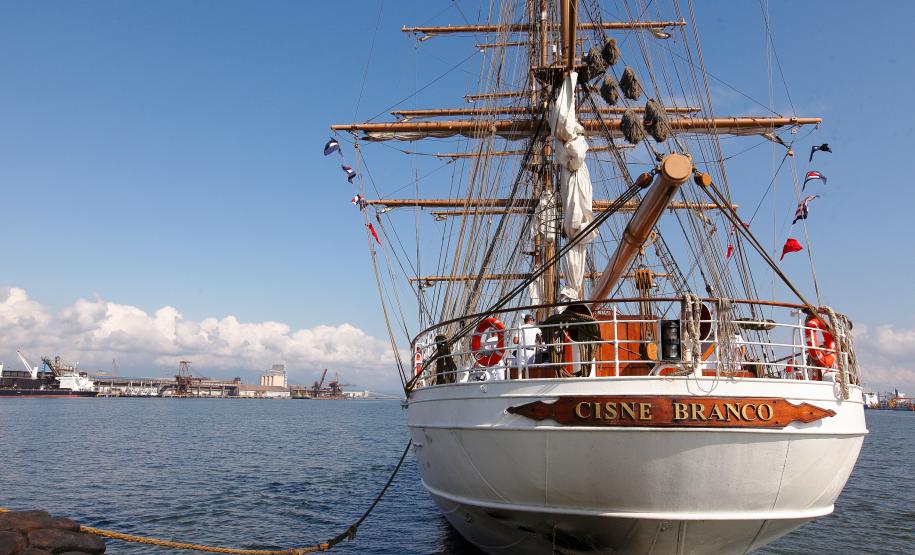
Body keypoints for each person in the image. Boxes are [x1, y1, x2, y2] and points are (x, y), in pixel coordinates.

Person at [513, 314, 542, 379]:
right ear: (530, 320)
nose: (534, 322)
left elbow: (515, 341)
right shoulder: (535, 328)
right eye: (533, 320)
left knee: (520, 370)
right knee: (529, 370)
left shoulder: (520, 327)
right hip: (531, 352)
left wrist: (523, 340)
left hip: (521, 351)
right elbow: (541, 336)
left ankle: (520, 381)